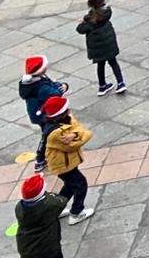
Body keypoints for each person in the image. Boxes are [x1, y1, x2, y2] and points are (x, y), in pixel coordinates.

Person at [40, 96, 94, 224]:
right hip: (63, 165)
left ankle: (56, 210)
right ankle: (76, 213)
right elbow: (77, 142)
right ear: (61, 113)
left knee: (69, 186)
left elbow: (79, 129)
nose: (70, 110)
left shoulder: (67, 120)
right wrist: (78, 134)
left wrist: (75, 134)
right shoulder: (55, 133)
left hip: (67, 162)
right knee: (81, 185)